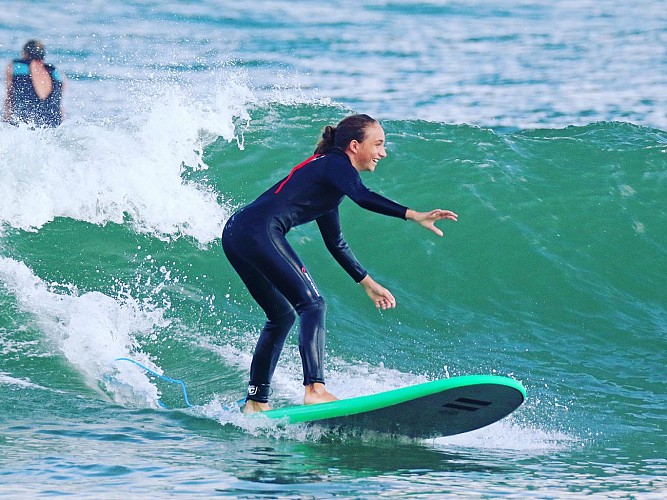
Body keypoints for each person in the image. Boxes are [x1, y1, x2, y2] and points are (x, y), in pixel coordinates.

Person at [222, 114, 458, 413]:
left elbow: (336, 242)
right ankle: (315, 389)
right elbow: (363, 196)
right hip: (258, 232)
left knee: (281, 316)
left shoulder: (326, 178)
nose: (383, 152)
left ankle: (256, 401)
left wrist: (368, 284)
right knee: (313, 305)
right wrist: (415, 214)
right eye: (378, 144)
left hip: (237, 232)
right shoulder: (334, 164)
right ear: (355, 145)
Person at [3, 39, 64, 127]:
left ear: (25, 53)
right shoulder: (55, 73)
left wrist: (5, 121)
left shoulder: (15, 67)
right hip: (53, 125)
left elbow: (10, 97)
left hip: (24, 125)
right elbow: (59, 105)